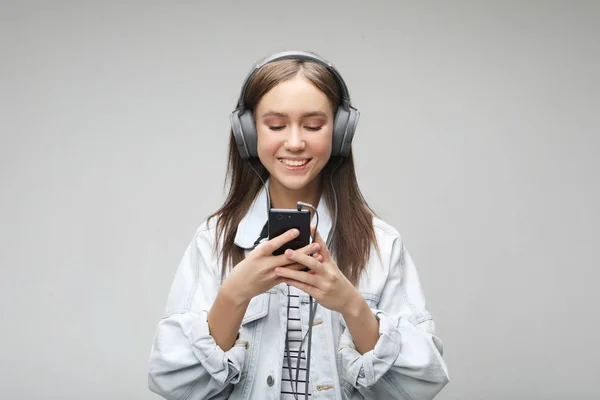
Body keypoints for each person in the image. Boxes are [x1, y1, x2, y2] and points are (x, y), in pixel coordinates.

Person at [147, 50, 449, 400]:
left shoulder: (381, 244)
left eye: (313, 125)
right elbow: (172, 383)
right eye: (275, 126)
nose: (294, 142)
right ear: (248, 133)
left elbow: (418, 386)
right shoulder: (214, 241)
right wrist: (233, 295)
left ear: (340, 132)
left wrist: (351, 305)